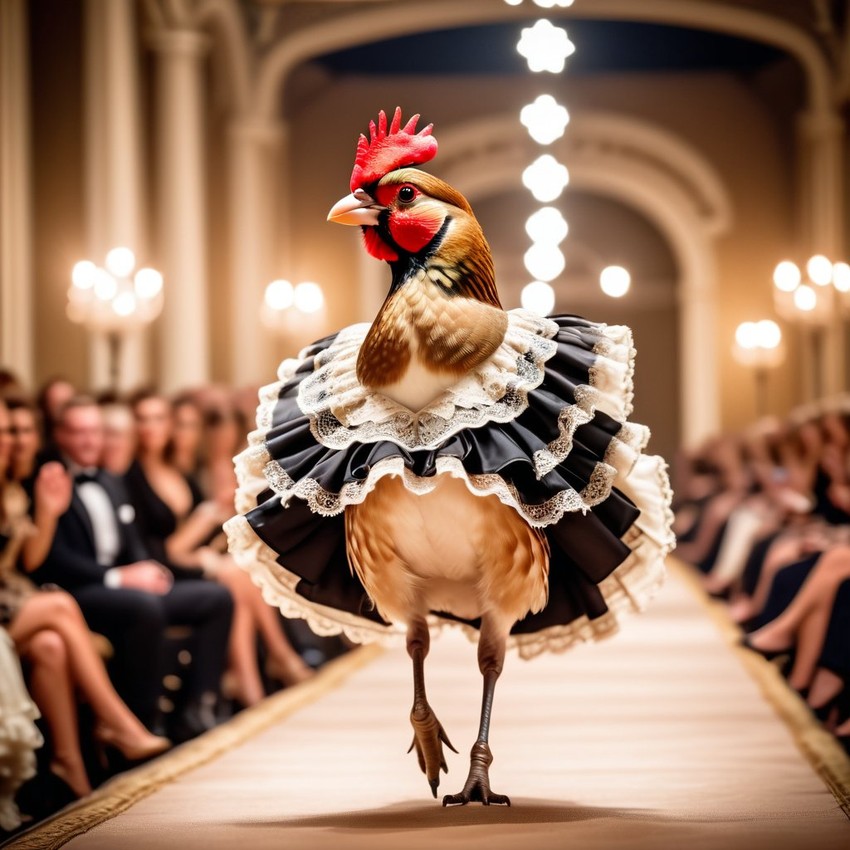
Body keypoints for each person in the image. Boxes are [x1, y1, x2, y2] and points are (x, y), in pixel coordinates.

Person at [26, 396, 234, 740]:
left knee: (215, 598)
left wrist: (149, 569)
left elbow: (132, 541)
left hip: (123, 584)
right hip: (80, 590)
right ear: (60, 435)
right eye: (79, 432)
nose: (91, 440)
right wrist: (118, 577)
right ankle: (142, 718)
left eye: (96, 431)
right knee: (143, 606)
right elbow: (54, 560)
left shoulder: (110, 480)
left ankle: (198, 707)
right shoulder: (49, 478)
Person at [0, 398, 170, 799]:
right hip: (15, 598)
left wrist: (45, 512)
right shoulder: (34, 480)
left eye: (19, 431)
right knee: (61, 606)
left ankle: (69, 764)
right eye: (8, 432)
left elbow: (30, 557)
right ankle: (118, 723)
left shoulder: (17, 487)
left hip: (14, 597)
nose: (14, 441)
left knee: (50, 645)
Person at [126, 391, 313, 707]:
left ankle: (254, 677)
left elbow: (203, 527)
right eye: (142, 420)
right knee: (236, 572)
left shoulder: (178, 472)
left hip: (195, 558)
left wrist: (208, 531)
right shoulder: (133, 477)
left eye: (158, 419)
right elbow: (159, 543)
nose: (150, 428)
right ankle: (275, 662)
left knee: (239, 573)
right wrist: (201, 530)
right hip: (164, 566)